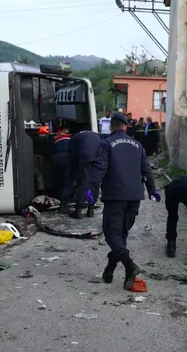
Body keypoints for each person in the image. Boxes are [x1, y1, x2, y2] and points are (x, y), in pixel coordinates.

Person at [86, 112, 160, 290]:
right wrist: (152, 189)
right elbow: (146, 170)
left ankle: (130, 266)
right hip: (134, 196)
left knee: (112, 233)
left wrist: (91, 188)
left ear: (111, 126)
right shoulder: (137, 144)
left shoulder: (106, 144)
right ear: (126, 127)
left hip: (115, 196)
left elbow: (100, 168)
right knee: (122, 235)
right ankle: (111, 270)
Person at [68, 129, 102, 219]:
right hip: (98, 158)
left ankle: (78, 210)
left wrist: (75, 173)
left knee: (83, 182)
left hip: (86, 158)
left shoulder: (74, 138)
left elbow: (74, 156)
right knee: (95, 183)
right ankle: (90, 210)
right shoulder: (96, 135)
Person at [52, 126, 72, 213]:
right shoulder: (70, 139)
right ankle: (63, 204)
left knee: (58, 180)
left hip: (56, 160)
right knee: (68, 181)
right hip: (66, 160)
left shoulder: (56, 139)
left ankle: (57, 198)